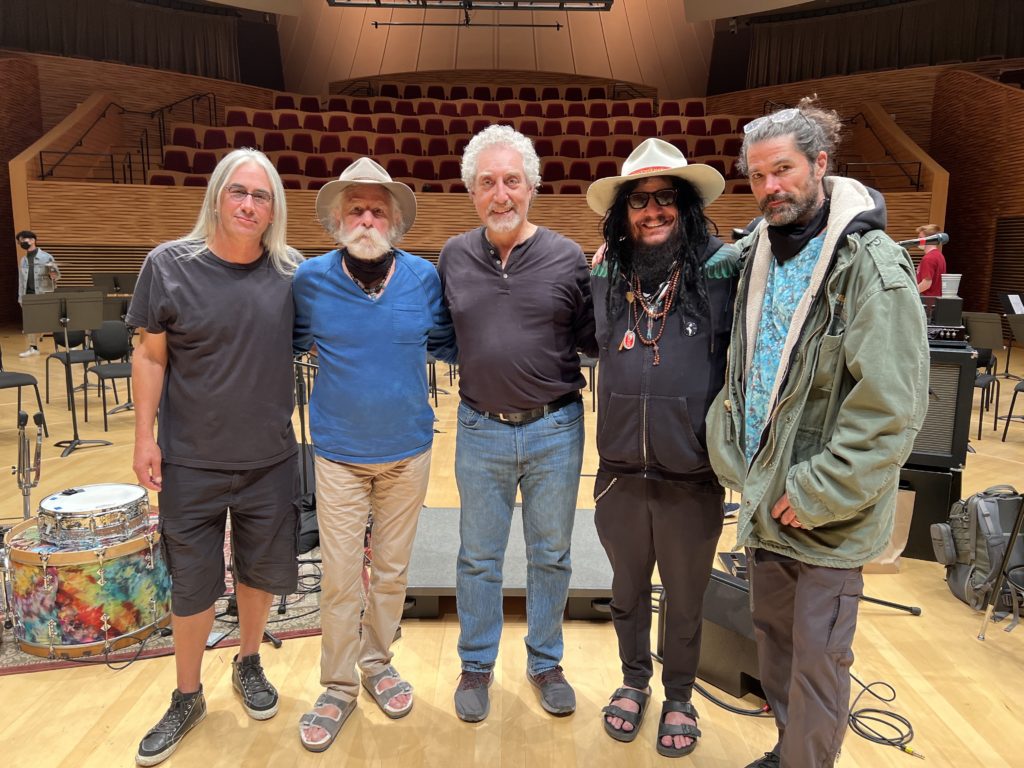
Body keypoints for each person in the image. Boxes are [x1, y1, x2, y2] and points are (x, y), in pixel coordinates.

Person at [705, 99, 930, 768]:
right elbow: (709, 267)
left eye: (785, 170)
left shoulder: (874, 266)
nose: (771, 187)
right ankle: (788, 750)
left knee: (817, 659)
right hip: (766, 496)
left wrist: (817, 491)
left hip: (823, 512)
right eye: (758, 175)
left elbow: (891, 410)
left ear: (821, 164)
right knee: (774, 641)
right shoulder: (762, 249)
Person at [127, 148, 303, 766]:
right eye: (238, 192)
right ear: (217, 197)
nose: (249, 204)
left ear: (274, 207)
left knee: (258, 574)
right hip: (191, 461)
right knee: (193, 584)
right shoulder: (168, 265)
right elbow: (150, 356)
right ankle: (186, 693)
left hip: (268, 459)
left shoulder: (290, 273)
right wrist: (145, 437)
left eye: (261, 195)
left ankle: (249, 661)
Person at [434, 124, 597, 723]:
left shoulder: (567, 256)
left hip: (556, 430)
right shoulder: (453, 254)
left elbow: (590, 339)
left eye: (511, 181)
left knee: (551, 554)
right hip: (480, 429)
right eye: (486, 183)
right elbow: (444, 336)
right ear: (472, 193)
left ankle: (545, 661)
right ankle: (476, 665)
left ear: (532, 185)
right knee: (478, 556)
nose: (500, 194)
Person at [586, 138, 738, 758]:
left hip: (691, 473)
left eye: (665, 199)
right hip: (620, 473)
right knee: (626, 592)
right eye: (639, 201)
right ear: (623, 214)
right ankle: (633, 681)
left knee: (685, 596)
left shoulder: (720, 272)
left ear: (686, 206)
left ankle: (679, 695)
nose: (653, 211)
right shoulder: (606, 276)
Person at [292, 158, 448, 751]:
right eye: (354, 209)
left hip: (409, 450)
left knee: (391, 573)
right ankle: (336, 686)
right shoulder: (309, 280)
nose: (365, 218)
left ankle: (378, 663)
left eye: (376, 210)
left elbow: (448, 342)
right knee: (338, 578)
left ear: (395, 222)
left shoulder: (424, 279)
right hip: (337, 454)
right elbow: (285, 341)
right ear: (336, 220)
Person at [16, 230, 60, 356]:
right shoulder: (23, 260)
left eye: (23, 239)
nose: (21, 242)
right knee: (30, 322)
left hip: (42, 294)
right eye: (20, 241)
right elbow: (21, 279)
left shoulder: (46, 257)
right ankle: (33, 348)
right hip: (28, 294)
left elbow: (57, 274)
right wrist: (20, 297)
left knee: (46, 321)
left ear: (32, 240)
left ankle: (65, 343)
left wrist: (54, 275)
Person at [914, 223, 946, 296]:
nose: (917, 240)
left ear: (928, 240)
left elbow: (926, 283)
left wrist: (911, 294)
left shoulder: (929, 258)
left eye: (920, 237)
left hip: (927, 301)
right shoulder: (939, 255)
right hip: (935, 301)